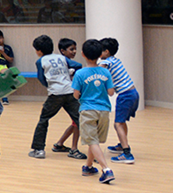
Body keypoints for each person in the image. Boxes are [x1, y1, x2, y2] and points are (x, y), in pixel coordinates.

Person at [28, 35, 82, 159]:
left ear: (39, 51)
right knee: (80, 120)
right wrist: (70, 74)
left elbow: (41, 78)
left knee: (44, 120)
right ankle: (93, 149)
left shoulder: (40, 61)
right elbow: (78, 65)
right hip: (69, 92)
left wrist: (50, 85)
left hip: (55, 94)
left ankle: (39, 150)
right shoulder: (61, 58)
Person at [71, 39, 115, 184]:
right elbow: (110, 92)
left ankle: (106, 169)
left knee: (91, 140)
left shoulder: (80, 74)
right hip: (104, 111)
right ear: (100, 54)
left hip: (87, 109)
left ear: (82, 54)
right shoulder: (105, 72)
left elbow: (75, 95)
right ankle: (88, 167)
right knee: (94, 140)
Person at [99, 38, 139, 164]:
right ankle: (122, 145)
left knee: (117, 124)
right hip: (133, 93)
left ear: (106, 51)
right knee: (121, 123)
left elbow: (99, 70)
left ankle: (127, 154)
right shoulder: (115, 60)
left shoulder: (107, 62)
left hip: (125, 95)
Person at [52, 38, 86, 159]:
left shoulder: (71, 65)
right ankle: (74, 149)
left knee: (75, 123)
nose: (74, 51)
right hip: (70, 97)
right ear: (62, 51)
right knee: (77, 122)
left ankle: (59, 144)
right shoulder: (65, 65)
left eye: (75, 49)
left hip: (72, 97)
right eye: (71, 49)